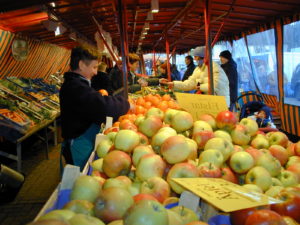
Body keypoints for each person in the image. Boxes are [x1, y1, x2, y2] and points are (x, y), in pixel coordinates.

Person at [59, 47, 130, 170]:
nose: (96, 72)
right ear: (81, 65)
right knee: (79, 178)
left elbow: (92, 103)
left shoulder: (78, 84)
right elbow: (103, 107)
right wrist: (127, 104)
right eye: (94, 67)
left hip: (82, 139)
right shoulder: (75, 87)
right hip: (77, 144)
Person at [159, 46, 230, 106]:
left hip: (220, 103)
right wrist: (173, 83)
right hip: (209, 102)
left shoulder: (214, 67)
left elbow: (216, 85)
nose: (194, 59)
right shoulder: (198, 69)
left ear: (202, 57)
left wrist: (200, 87)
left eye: (196, 56)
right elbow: (190, 83)